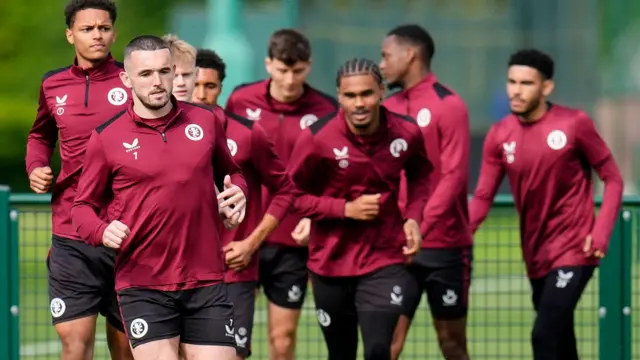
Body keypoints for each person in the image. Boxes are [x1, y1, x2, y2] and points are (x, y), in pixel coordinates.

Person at [70, 35, 248, 360]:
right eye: (146, 74)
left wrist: (238, 194)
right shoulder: (106, 138)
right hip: (143, 283)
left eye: (165, 71)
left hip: (205, 279)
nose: (158, 82)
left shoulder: (205, 121)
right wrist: (101, 231)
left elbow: (233, 173)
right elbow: (82, 208)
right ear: (126, 79)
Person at [469, 49, 624, 360]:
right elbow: (483, 196)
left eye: (526, 83)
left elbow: (613, 179)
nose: (516, 89)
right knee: (562, 341)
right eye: (511, 81)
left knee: (544, 335)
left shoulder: (574, 124)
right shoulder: (499, 135)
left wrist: (602, 231)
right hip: (535, 251)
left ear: (546, 88)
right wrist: (462, 234)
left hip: (574, 247)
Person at [288, 58, 432, 360]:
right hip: (330, 261)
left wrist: (413, 218)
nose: (359, 103)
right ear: (339, 96)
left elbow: (421, 175)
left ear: (381, 92)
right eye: (350, 96)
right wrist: (344, 209)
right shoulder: (316, 137)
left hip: (383, 258)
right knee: (341, 353)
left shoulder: (406, 133)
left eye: (366, 93)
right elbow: (290, 195)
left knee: (379, 349)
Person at [25, 1, 133, 358]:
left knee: (128, 349)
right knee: (74, 345)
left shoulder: (133, 81)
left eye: (103, 28)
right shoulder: (52, 84)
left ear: (114, 32)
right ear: (70, 34)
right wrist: (36, 167)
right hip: (71, 231)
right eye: (87, 29)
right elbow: (40, 136)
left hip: (127, 231)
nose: (97, 35)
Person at [225, 28, 338, 360]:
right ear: (268, 64)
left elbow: (332, 173)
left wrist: (314, 216)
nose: (290, 79)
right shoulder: (241, 100)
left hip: (292, 241)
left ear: (309, 66)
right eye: (283, 70)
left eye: (298, 70)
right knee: (231, 341)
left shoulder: (326, 109)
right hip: (242, 236)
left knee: (283, 338)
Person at [379, 24, 472, 360]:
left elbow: (454, 176)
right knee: (385, 345)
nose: (382, 64)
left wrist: (420, 226)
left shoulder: (449, 104)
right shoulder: (386, 108)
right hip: (394, 249)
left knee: (452, 345)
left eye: (386, 56)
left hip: (443, 246)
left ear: (410, 54)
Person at [162, 33, 197, 102]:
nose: (181, 83)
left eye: (186, 75)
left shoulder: (210, 112)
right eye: (174, 76)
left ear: (196, 75)